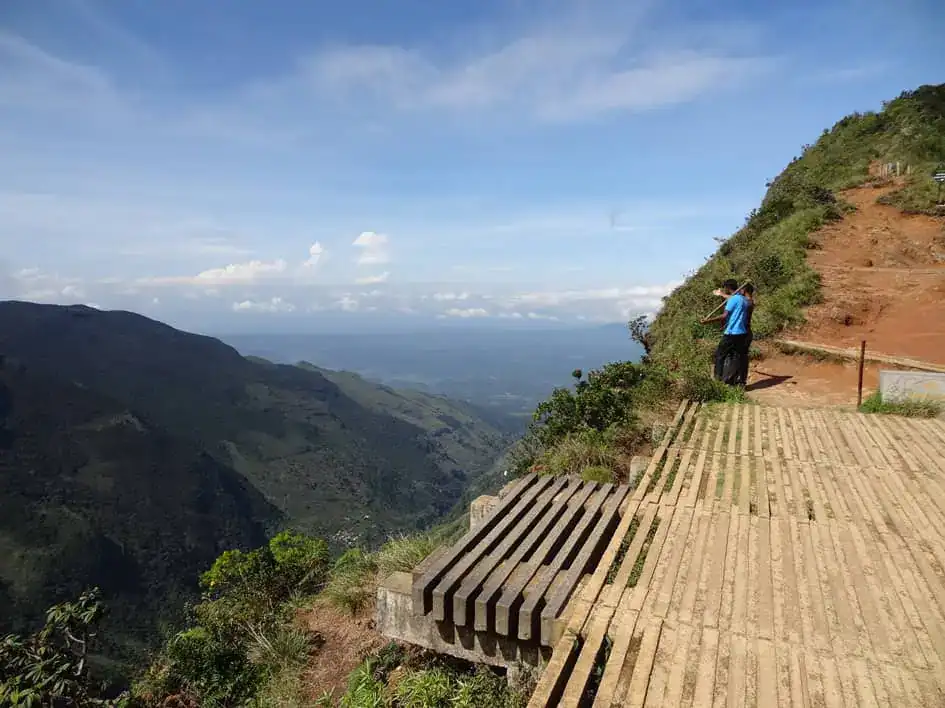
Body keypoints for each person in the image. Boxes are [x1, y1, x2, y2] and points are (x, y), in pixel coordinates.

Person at [701, 279, 751, 385]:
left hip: (731, 333)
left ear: (728, 288)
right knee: (737, 357)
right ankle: (735, 381)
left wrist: (707, 321)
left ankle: (717, 381)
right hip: (742, 333)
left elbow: (724, 315)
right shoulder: (745, 300)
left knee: (720, 355)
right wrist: (722, 295)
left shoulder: (733, 299)